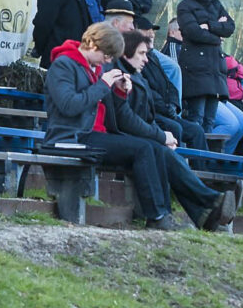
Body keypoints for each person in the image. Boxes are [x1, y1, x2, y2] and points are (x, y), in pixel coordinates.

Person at [43, 22, 219, 230]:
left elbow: (113, 111)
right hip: (71, 137)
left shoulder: (95, 67)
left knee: (154, 148)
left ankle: (169, 215)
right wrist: (103, 85)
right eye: (107, 56)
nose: (108, 61)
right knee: (144, 148)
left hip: (94, 135)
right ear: (93, 45)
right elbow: (68, 105)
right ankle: (158, 216)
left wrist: (119, 92)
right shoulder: (64, 64)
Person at [174, 0, 235, 132]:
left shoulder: (216, 4)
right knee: (197, 117)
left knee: (210, 120)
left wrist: (209, 25)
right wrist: (217, 36)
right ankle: (195, 149)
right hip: (196, 67)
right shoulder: (185, 6)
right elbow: (193, 32)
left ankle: (207, 150)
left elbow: (230, 27)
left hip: (215, 68)